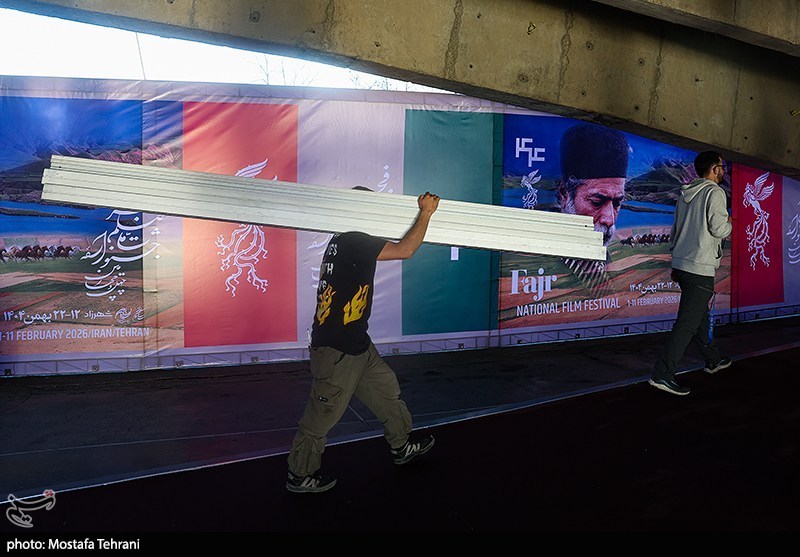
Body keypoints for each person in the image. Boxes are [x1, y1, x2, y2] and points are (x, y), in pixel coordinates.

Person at [286, 191, 441, 493]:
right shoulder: (355, 239)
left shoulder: (342, 239)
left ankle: (401, 446)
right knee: (321, 416)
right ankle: (299, 474)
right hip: (337, 351)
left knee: (386, 390)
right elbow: (406, 249)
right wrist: (427, 213)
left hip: (356, 344)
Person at [648, 151, 733, 396]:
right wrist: (730, 222)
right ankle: (662, 375)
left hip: (683, 265)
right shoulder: (715, 193)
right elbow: (719, 229)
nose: (724, 170)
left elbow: (675, 231)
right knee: (687, 324)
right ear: (714, 169)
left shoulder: (685, 193)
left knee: (699, 317)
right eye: (722, 166)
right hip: (699, 267)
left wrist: (676, 263)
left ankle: (713, 359)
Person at [556, 122, 630, 295]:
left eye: (617, 203)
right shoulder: (545, 261)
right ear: (564, 194)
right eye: (597, 202)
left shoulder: (601, 253)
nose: (609, 219)